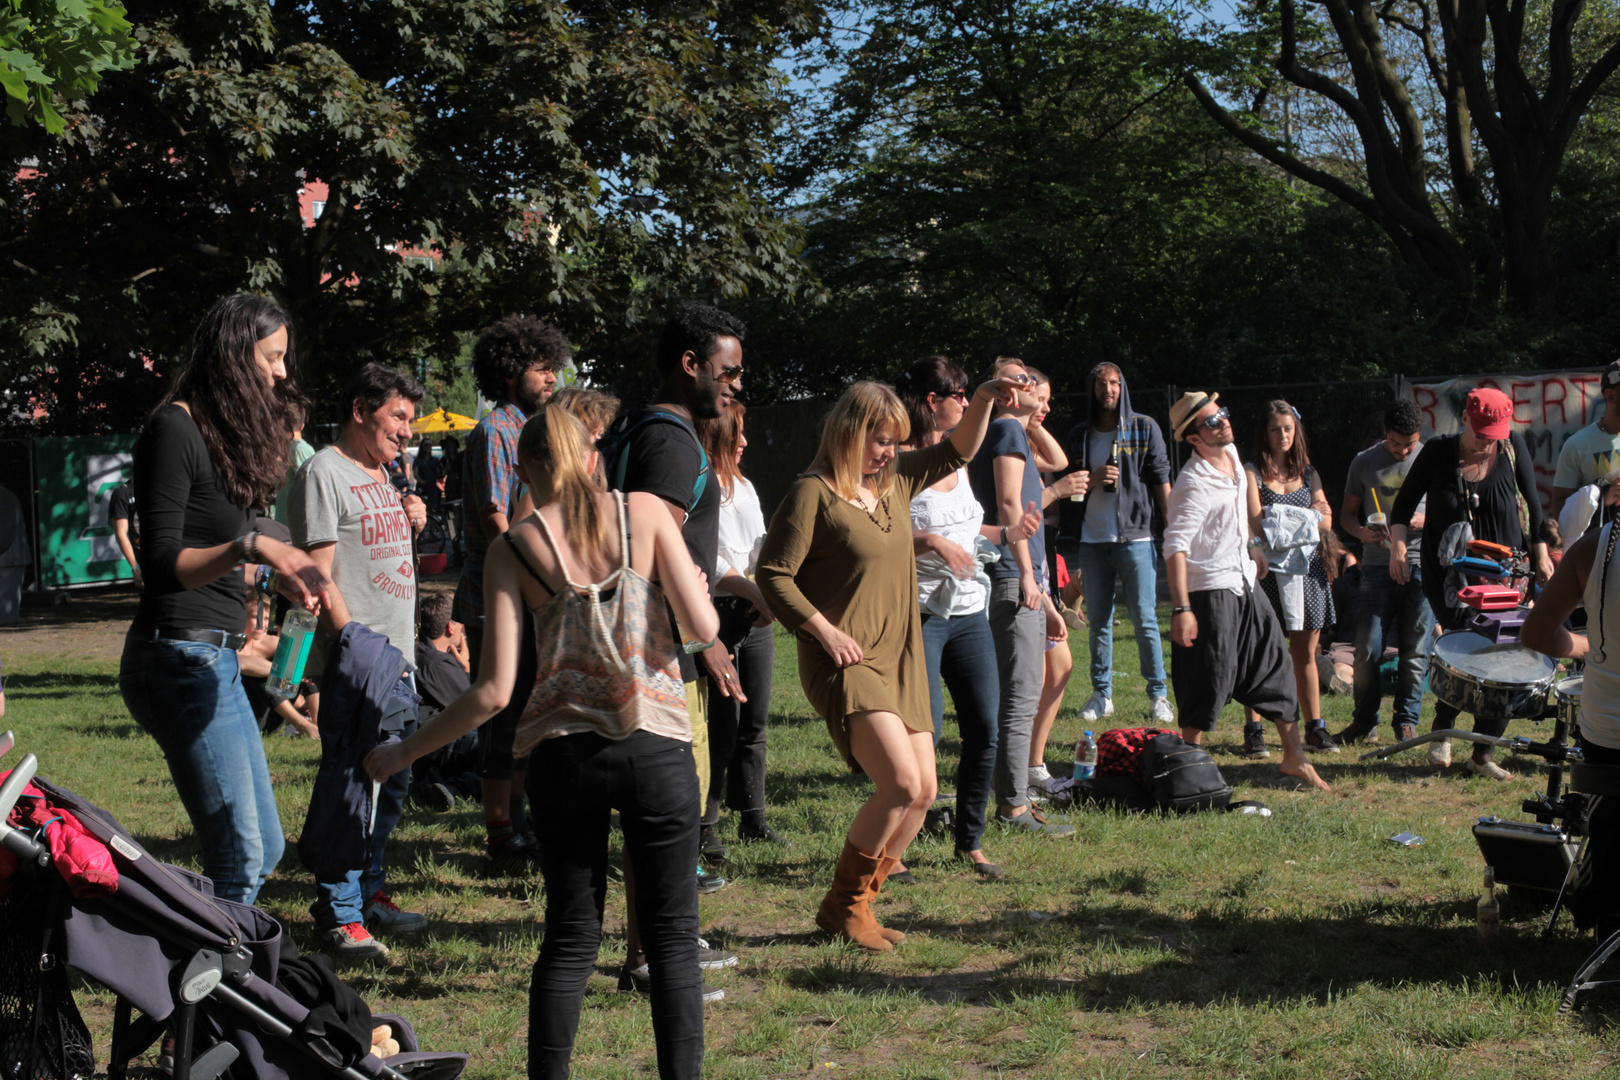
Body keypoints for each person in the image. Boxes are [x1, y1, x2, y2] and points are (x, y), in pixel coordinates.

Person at [363, 405, 719, 1080]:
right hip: (658, 751)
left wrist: (403, 753)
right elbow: (701, 627)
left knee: (570, 938)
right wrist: (695, 595)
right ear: (592, 458)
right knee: (672, 942)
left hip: (563, 758)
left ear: (525, 470)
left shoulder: (513, 548)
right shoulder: (644, 512)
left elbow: (493, 691)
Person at [757, 372, 1032, 952]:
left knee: (925, 790)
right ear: (848, 432)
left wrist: (982, 397)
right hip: (844, 656)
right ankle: (845, 905)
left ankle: (852, 906)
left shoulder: (896, 481)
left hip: (900, 654)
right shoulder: (812, 494)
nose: (888, 451)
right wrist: (822, 630)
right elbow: (774, 576)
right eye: (879, 439)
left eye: (894, 441)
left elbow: (960, 447)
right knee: (900, 782)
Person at [119, 293, 328, 905]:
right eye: (273, 357)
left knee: (264, 847)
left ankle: (214, 974)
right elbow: (159, 567)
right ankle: (206, 991)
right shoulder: (172, 428)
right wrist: (249, 548)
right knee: (240, 857)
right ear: (237, 356)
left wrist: (273, 577)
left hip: (216, 658)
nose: (282, 372)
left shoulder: (220, 437)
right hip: (177, 657)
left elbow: (227, 550)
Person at [290, 362, 430, 958]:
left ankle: (368, 893)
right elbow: (318, 574)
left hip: (399, 657)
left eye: (410, 420)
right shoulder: (325, 471)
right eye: (398, 416)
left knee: (391, 784)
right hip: (362, 658)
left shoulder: (383, 472)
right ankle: (338, 915)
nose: (406, 431)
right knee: (354, 786)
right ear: (359, 410)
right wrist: (355, 646)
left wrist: (413, 515)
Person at [604, 303, 748, 874]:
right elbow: (651, 552)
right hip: (663, 643)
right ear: (691, 365)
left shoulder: (643, 426)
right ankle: (667, 928)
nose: (736, 385)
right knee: (681, 782)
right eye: (728, 371)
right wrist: (701, 640)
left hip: (652, 636)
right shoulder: (671, 441)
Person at [894, 357, 1043, 880]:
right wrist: (928, 540)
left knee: (984, 727)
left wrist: (1009, 535)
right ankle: (893, 848)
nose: (964, 401)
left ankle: (970, 841)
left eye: (965, 393)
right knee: (924, 734)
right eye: (958, 394)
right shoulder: (897, 461)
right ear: (931, 401)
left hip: (968, 612)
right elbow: (876, 532)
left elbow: (967, 529)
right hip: (917, 615)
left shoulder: (955, 460)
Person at [1162, 391, 1330, 792]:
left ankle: (1294, 758)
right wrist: (1182, 608)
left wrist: (1253, 547)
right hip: (1209, 591)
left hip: (1243, 582)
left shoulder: (1234, 456)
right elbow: (1174, 546)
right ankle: (1187, 766)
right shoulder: (1191, 483)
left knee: (1276, 661)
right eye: (1212, 421)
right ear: (1193, 438)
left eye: (1221, 414)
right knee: (1207, 678)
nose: (1223, 421)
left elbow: (1241, 513)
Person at [453, 315, 570, 870]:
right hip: (495, 601)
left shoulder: (537, 430)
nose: (552, 376)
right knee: (503, 717)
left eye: (553, 366)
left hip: (534, 600)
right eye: (540, 367)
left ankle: (523, 824)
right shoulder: (496, 432)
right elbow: (499, 521)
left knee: (530, 716)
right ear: (509, 371)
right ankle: (501, 832)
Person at [1390, 386, 1552, 779]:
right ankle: (1443, 732)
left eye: (1493, 434)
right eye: (1481, 433)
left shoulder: (1512, 448)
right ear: (1465, 418)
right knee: (1465, 649)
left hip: (1504, 574)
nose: (1486, 442)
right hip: (1451, 576)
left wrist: (1542, 552)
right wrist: (1397, 549)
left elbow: (1532, 501)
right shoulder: (1437, 452)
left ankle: (1483, 752)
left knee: (1508, 654)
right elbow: (1403, 505)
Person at [966, 358, 1074, 838]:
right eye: (1028, 383)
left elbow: (1057, 464)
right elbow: (1011, 506)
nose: (1037, 390)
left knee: (1018, 693)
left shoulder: (1014, 431)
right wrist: (1031, 578)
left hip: (1016, 576)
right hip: (1013, 576)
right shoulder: (1007, 430)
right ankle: (1012, 808)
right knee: (1020, 696)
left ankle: (1010, 797)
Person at [1522, 519, 1620, 940]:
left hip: (1608, 739)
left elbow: (1538, 632)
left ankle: (1608, 922)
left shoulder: (1595, 546)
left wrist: (1584, 646)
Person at [1062, 362, 1173, 725]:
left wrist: (1171, 527)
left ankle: (1158, 694)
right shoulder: (1081, 434)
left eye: (1114, 383)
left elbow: (1160, 478)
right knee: (1099, 621)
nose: (1108, 390)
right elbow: (1067, 483)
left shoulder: (1143, 427)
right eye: (1101, 384)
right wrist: (1091, 480)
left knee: (1144, 618)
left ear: (1122, 387)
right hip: (1092, 540)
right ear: (1092, 391)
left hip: (1136, 536)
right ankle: (1101, 695)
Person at [697, 403, 784, 848]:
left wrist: (766, 586)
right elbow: (707, 561)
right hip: (719, 615)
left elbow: (757, 549)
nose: (745, 443)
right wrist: (754, 593)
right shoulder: (699, 485)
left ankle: (753, 817)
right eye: (737, 435)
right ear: (715, 437)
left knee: (755, 720)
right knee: (720, 723)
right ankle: (705, 824)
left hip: (755, 615)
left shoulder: (745, 486)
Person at [1242, 401, 1339, 756]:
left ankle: (1315, 727)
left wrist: (1280, 517)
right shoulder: (1251, 473)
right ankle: (1254, 730)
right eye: (1274, 429)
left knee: (1305, 653)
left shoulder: (1310, 473)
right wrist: (1306, 517)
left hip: (1307, 571)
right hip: (1266, 572)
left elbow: (1327, 522)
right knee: (1259, 652)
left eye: (1287, 428)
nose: (1282, 435)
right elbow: (1256, 524)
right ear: (1263, 434)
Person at [1335, 400, 1433, 746]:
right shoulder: (1364, 462)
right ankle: (1364, 722)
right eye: (1395, 444)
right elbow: (1347, 514)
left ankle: (1406, 723)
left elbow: (1453, 512)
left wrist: (1425, 521)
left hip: (1422, 563)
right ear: (1384, 435)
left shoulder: (1431, 458)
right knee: (1366, 647)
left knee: (1415, 650)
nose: (1403, 451)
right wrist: (1362, 532)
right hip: (1376, 566)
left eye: (1410, 444)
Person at [1022, 368, 1080, 795]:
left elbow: (1058, 459)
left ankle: (1030, 764)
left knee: (1057, 668)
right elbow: (1010, 514)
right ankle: (1024, 767)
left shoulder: (1021, 441)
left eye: (1048, 401)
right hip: (1018, 568)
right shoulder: (1000, 443)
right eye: (1039, 400)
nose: (1046, 408)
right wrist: (1057, 491)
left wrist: (1034, 420)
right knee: (1039, 673)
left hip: (1038, 564)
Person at [411, 591, 482, 813]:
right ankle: (451, 787)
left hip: (431, 744)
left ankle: (447, 788)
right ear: (451, 627)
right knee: (503, 750)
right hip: (440, 745)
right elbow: (476, 710)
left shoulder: (422, 654)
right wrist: (469, 669)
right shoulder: (436, 662)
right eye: (461, 623)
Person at [1551, 360, 1620, 524]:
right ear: (1610, 395)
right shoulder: (1578, 445)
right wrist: (1601, 499)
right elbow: (1559, 510)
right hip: (1597, 547)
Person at [271, 401, 317, 525]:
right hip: (286, 523)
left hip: (295, 527)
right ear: (302, 426)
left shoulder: (300, 450)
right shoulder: (288, 449)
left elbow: (310, 489)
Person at [110, 478, 141, 590]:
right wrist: (135, 567)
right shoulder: (122, 493)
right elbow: (121, 533)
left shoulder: (166, 486)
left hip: (170, 556)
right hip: (144, 560)